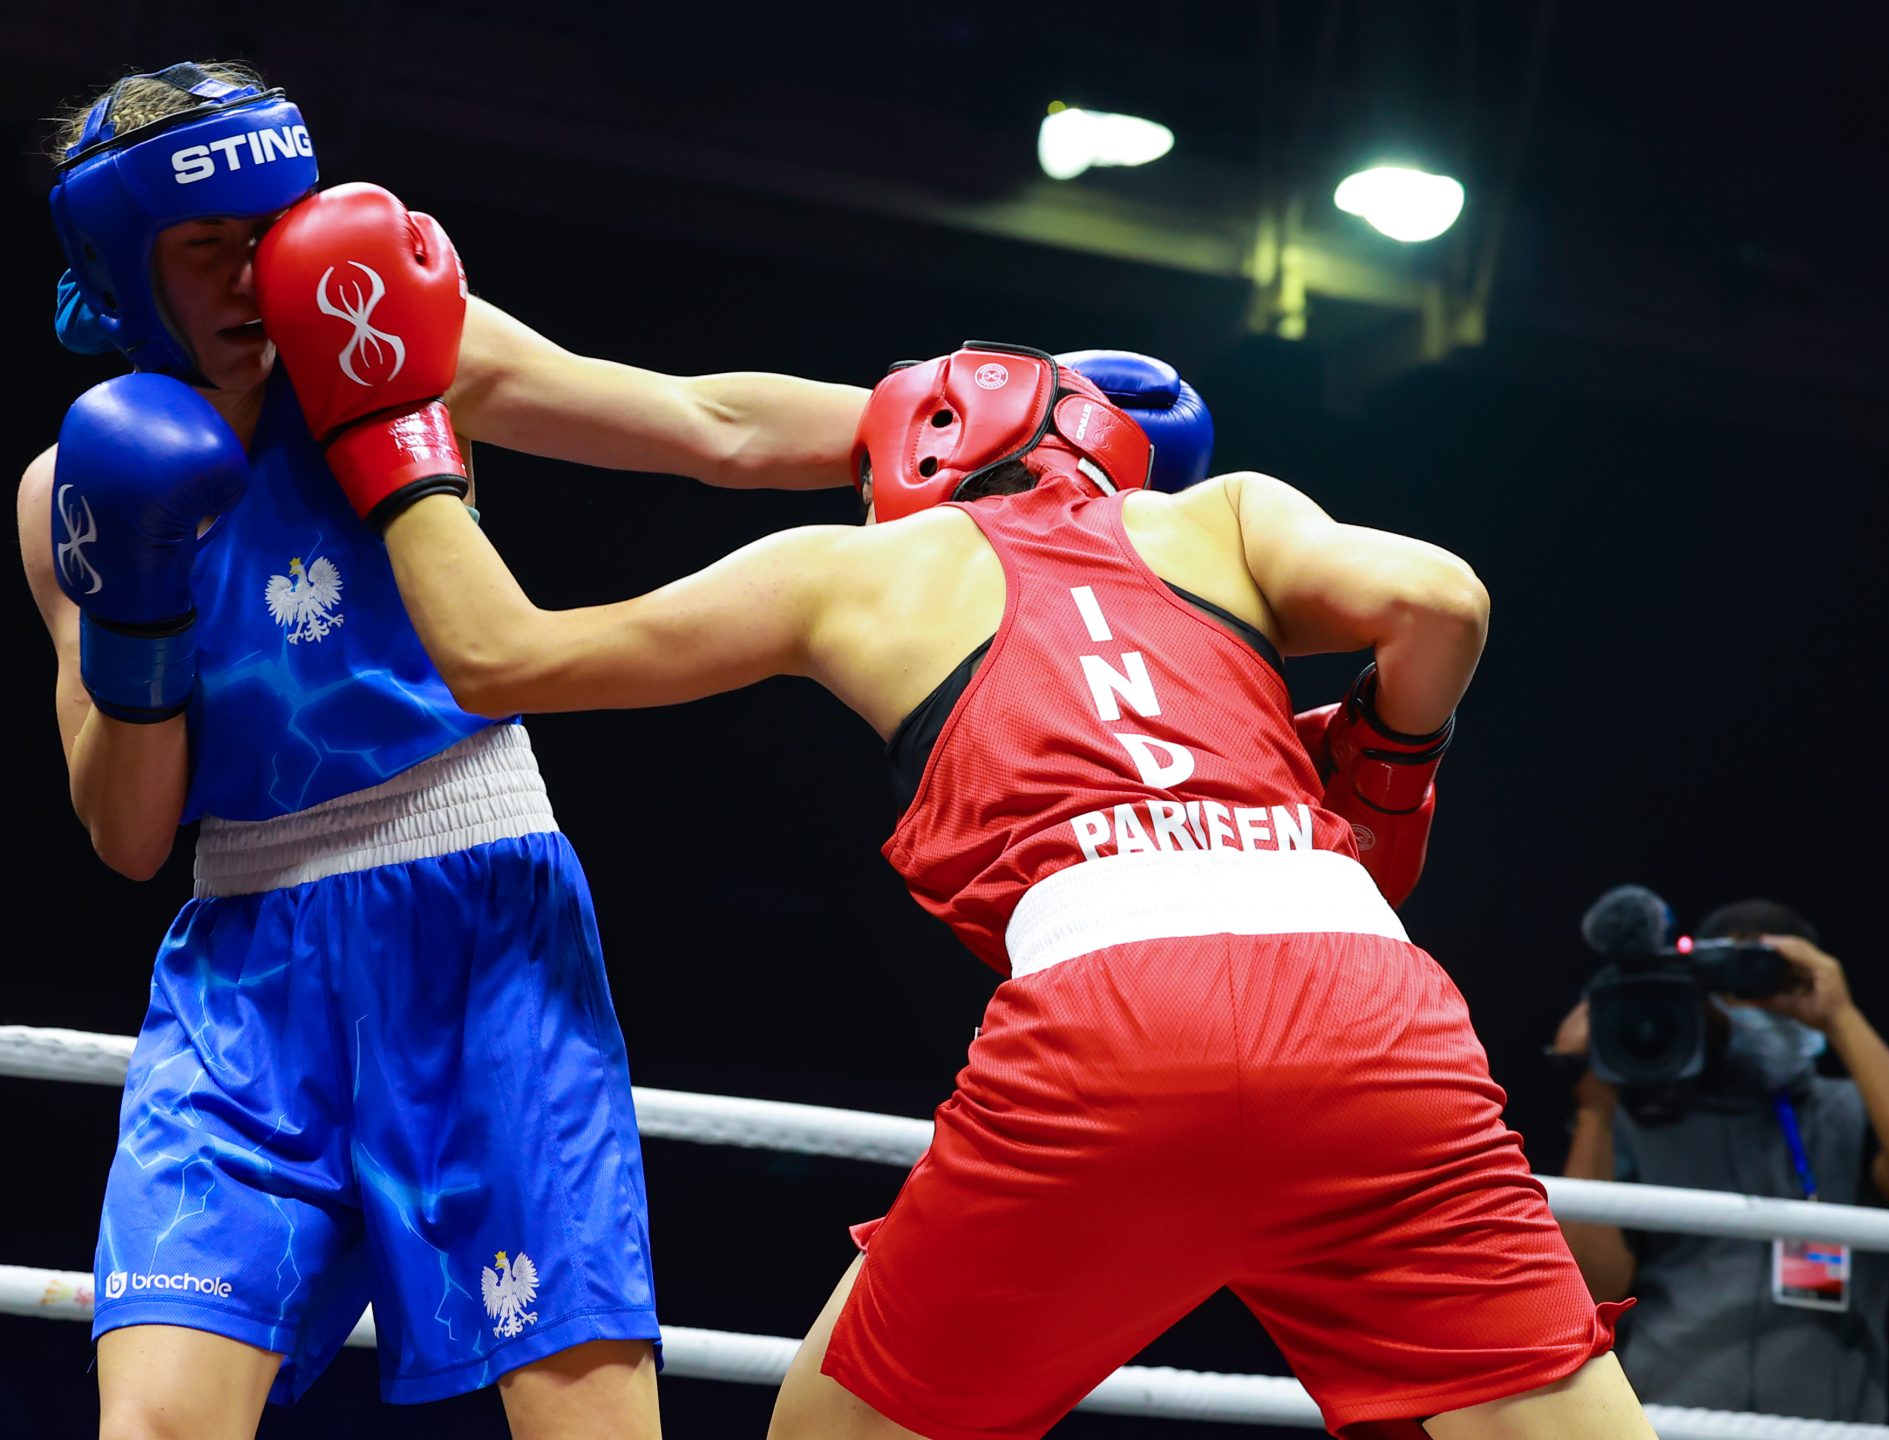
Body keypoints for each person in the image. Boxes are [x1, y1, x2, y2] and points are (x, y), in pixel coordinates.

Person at [324, 335, 1660, 1440]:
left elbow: (505, 659)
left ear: (918, 451)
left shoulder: (855, 566)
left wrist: (390, 436)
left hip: (1116, 1016)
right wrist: (1385, 763)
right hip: (1370, 1008)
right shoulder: (1224, 515)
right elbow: (1440, 601)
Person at [25, 60, 879, 1439]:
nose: (251, 276)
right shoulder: (70, 493)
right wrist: (141, 618)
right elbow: (128, 837)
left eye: (268, 232)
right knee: (158, 1423)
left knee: (584, 1421)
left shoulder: (380, 337)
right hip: (246, 969)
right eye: (203, 246)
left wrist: (967, 418)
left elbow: (704, 426)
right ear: (125, 268)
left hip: (479, 910)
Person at [1550, 897, 1889, 1420]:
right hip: (1674, 1424)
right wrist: (1594, 1108)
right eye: (1731, 988)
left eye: (1773, 984)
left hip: (1825, 1430)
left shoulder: (1850, 1113)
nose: (1756, 1007)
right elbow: (1589, 1291)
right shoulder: (1643, 1121)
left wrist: (1840, 1017)